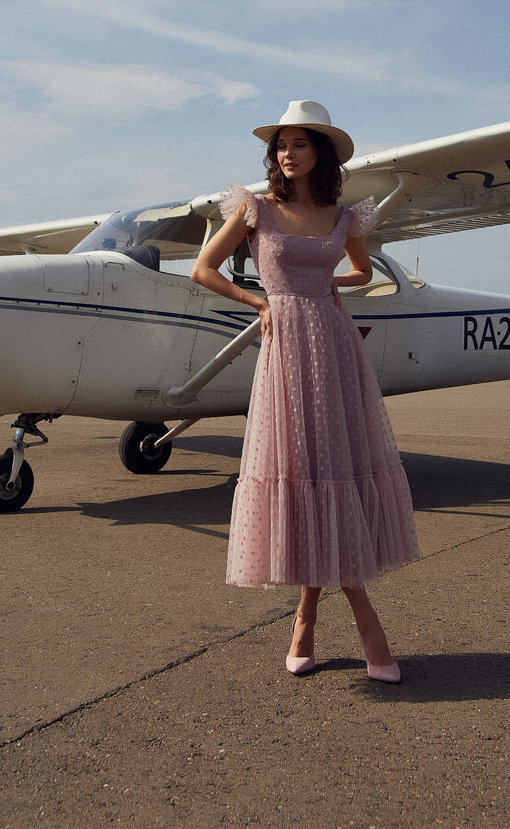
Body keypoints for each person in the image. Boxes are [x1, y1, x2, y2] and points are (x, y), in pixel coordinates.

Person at [191, 100, 419, 682]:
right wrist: (262, 302)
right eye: (280, 146)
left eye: (298, 144)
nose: (287, 154)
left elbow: (364, 273)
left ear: (320, 152)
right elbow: (204, 270)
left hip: (334, 343)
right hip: (285, 346)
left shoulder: (345, 218)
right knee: (300, 470)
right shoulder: (253, 209)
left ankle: (307, 618)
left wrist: (328, 283)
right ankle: (355, 624)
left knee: (335, 470)